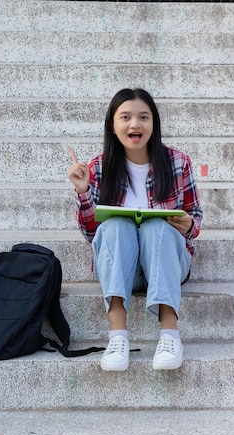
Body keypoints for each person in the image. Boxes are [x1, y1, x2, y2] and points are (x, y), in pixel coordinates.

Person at [67, 88, 203, 371]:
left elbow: (195, 219)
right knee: (115, 225)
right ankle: (117, 336)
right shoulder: (99, 166)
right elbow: (95, 234)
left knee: (156, 225)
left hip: (166, 262)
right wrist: (83, 191)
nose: (135, 124)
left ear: (154, 124)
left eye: (143, 117)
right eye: (125, 117)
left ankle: (169, 334)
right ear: (113, 126)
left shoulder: (178, 162)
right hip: (121, 268)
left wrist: (189, 224)